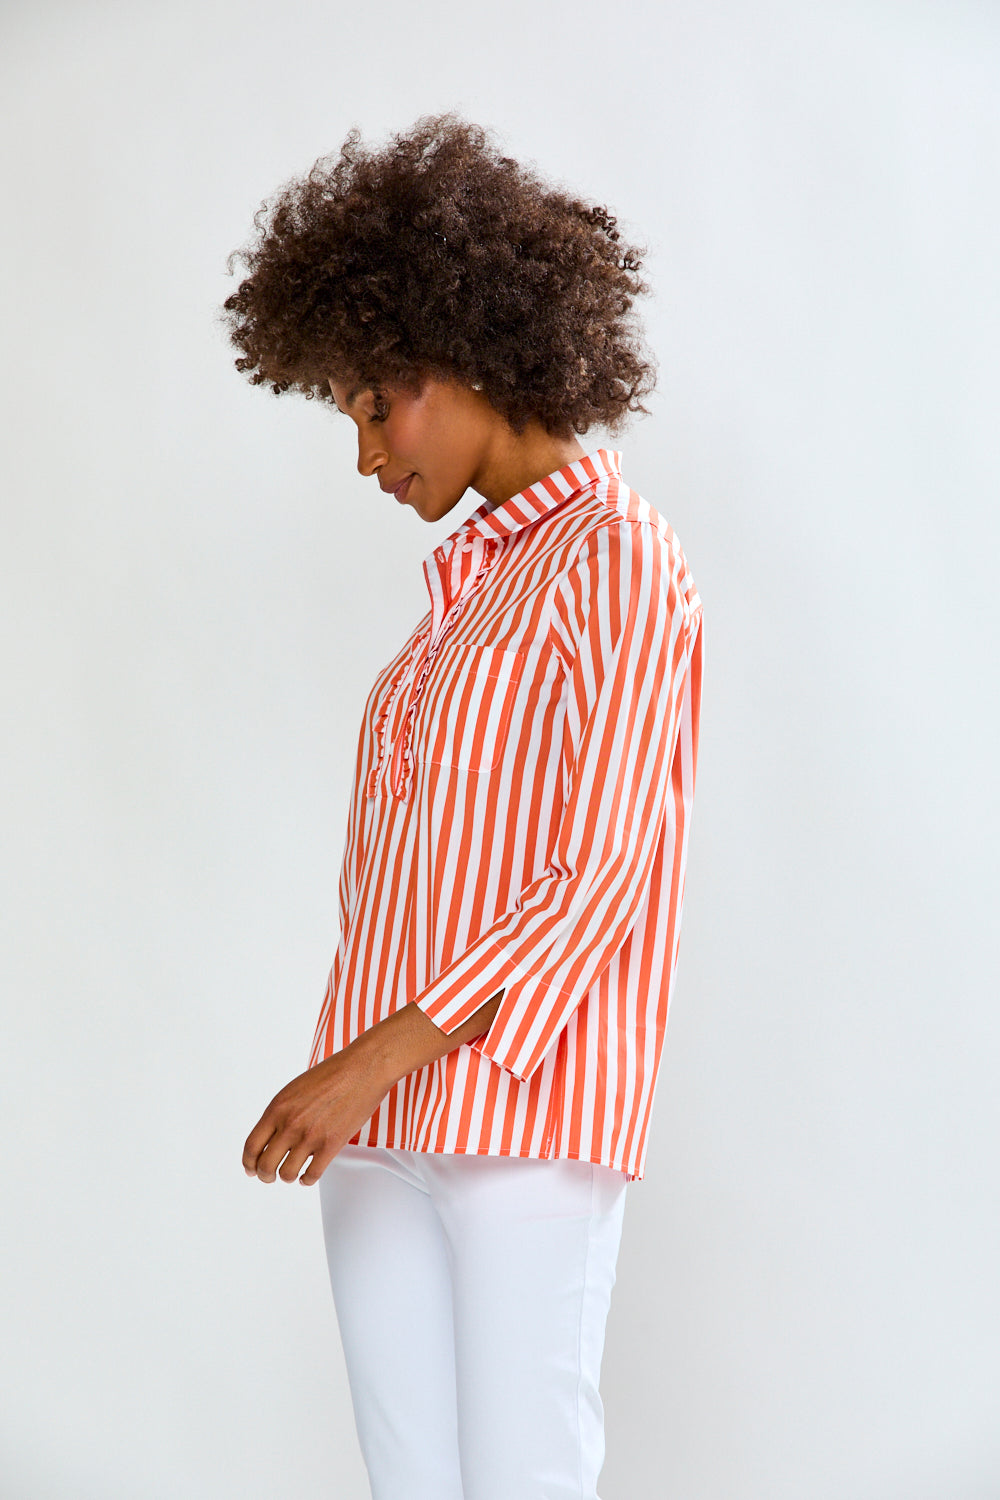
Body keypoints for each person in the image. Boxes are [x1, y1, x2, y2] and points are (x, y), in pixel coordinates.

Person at [221, 113, 704, 1500]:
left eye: (382, 401)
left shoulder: (617, 556)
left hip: (522, 1125)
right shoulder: (464, 597)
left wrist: (360, 1060)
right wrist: (361, 1081)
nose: (368, 453)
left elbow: (597, 874)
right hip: (378, 1138)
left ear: (484, 350)